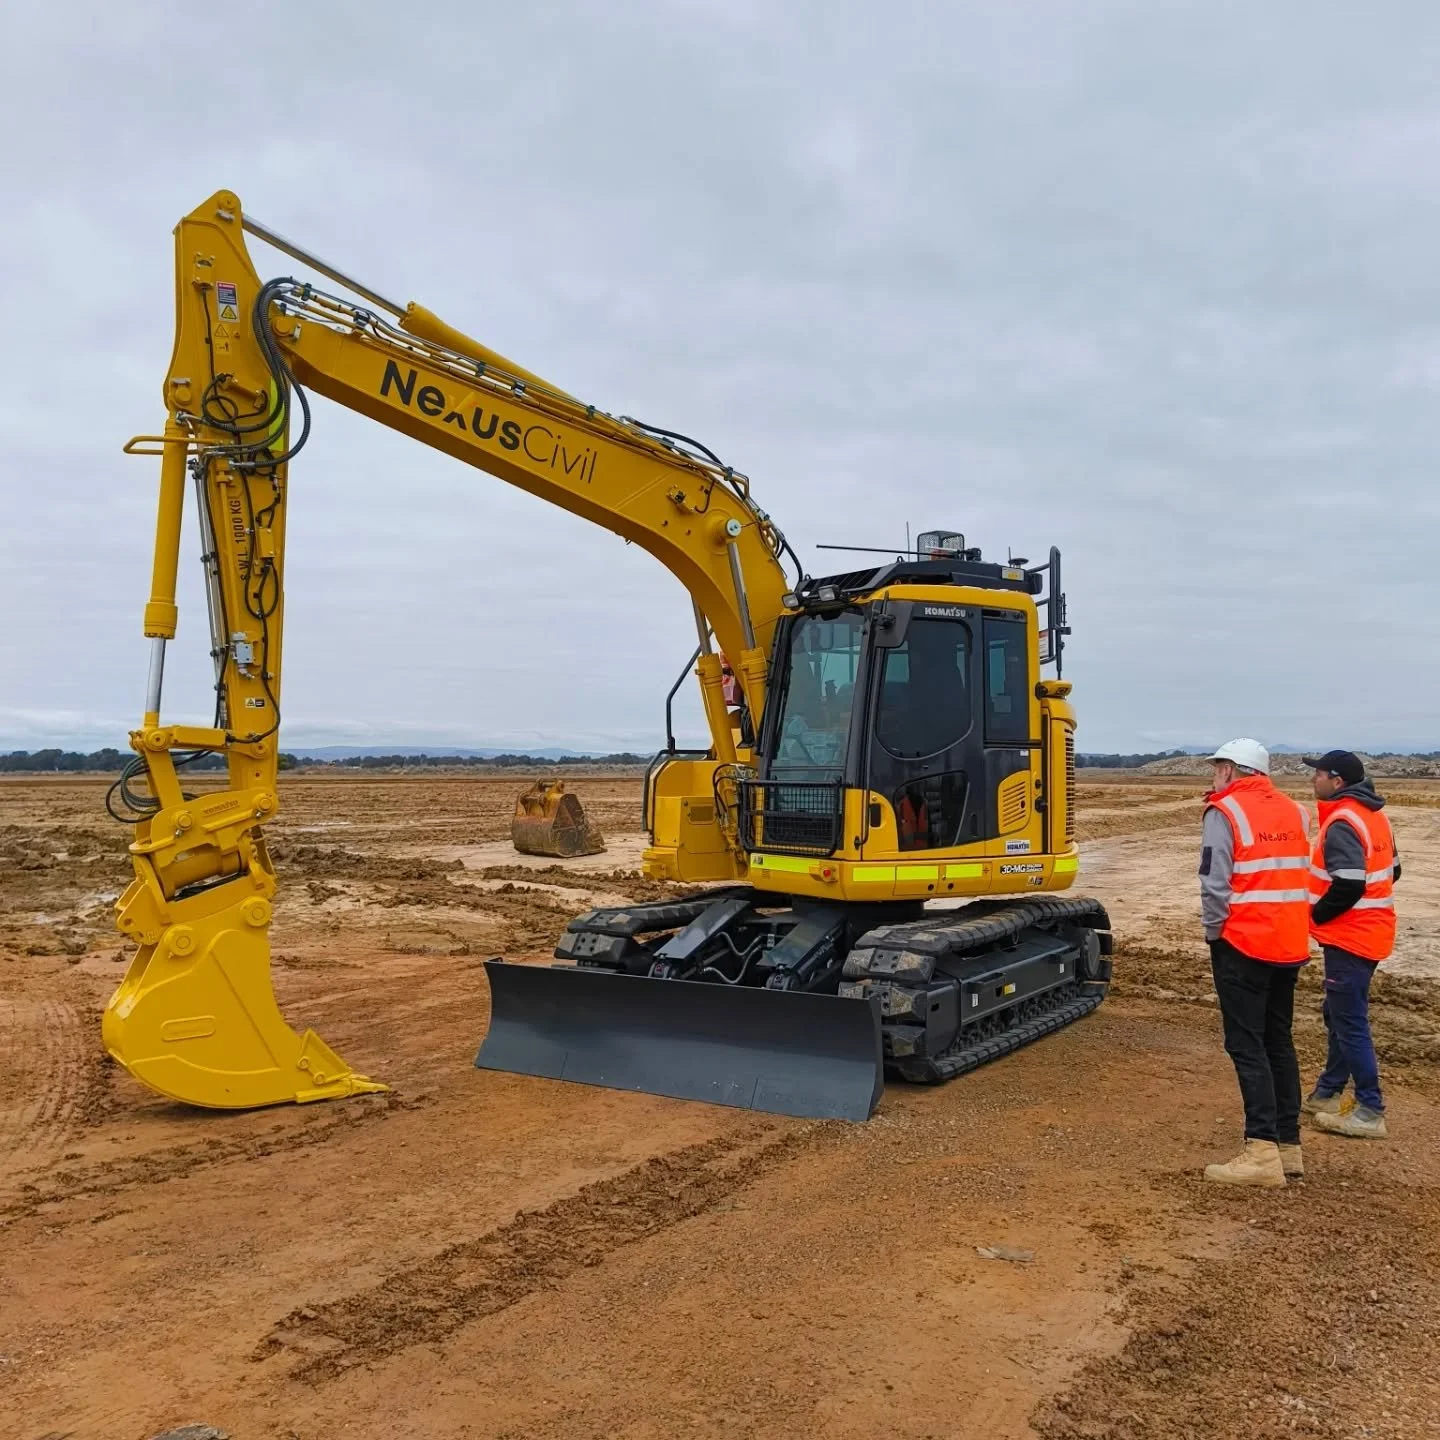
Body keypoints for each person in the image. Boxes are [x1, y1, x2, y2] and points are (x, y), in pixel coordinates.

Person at [1199, 739, 1312, 1187]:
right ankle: (1288, 1147)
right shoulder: (1295, 812)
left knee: (1246, 1045)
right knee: (1278, 1041)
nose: (1213, 776)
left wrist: (1215, 933)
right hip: (1288, 942)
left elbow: (1213, 881)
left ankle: (1260, 1150)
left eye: (1216, 768)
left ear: (1231, 770)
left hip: (1243, 941)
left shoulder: (1225, 812)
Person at [1302, 751, 1399, 1140]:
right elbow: (1394, 870)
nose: (1314, 781)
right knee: (1338, 1014)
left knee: (1349, 1022)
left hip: (1351, 937)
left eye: (1319, 775)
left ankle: (1370, 1109)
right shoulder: (1374, 816)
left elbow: (1350, 883)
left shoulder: (1343, 821)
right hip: (1371, 932)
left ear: (1337, 781)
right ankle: (1328, 1091)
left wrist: (1316, 916)